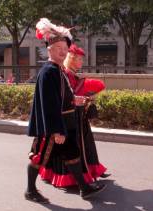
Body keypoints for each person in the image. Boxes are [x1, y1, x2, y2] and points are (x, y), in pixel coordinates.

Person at [26, 18, 106, 204]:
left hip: (64, 124)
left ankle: (84, 188)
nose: (63, 51)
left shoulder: (58, 70)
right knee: (39, 157)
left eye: (65, 48)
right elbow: (49, 105)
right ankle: (30, 190)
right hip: (53, 127)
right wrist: (56, 130)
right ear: (49, 50)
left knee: (72, 153)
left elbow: (62, 96)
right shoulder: (48, 72)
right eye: (58, 48)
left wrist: (74, 100)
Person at [36, 44, 109, 188]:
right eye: (79, 59)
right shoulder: (61, 72)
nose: (82, 62)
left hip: (77, 115)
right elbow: (61, 96)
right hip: (67, 116)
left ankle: (90, 173)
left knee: (83, 145)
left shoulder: (69, 73)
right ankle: (75, 181)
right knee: (68, 149)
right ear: (72, 59)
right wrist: (77, 97)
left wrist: (83, 97)